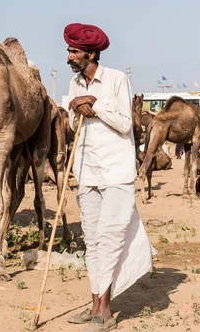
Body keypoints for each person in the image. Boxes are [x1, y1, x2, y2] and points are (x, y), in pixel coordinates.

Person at [64, 23, 154, 331]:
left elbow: (126, 125)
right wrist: (74, 104)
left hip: (116, 171)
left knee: (111, 238)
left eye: (74, 51)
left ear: (90, 54)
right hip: (87, 170)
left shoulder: (116, 80)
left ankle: (105, 309)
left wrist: (95, 106)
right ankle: (95, 307)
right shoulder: (75, 83)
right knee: (92, 239)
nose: (69, 55)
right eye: (69, 50)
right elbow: (71, 120)